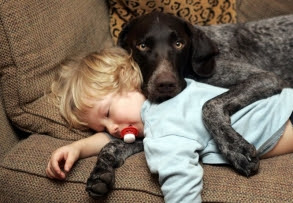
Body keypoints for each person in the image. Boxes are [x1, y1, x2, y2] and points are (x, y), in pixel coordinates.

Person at [46, 47, 293, 203]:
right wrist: (78, 148)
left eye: (108, 112)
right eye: (101, 127)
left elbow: (180, 178)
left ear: (129, 81)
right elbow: (117, 137)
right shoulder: (173, 89)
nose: (111, 129)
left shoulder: (162, 125)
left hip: (285, 120)